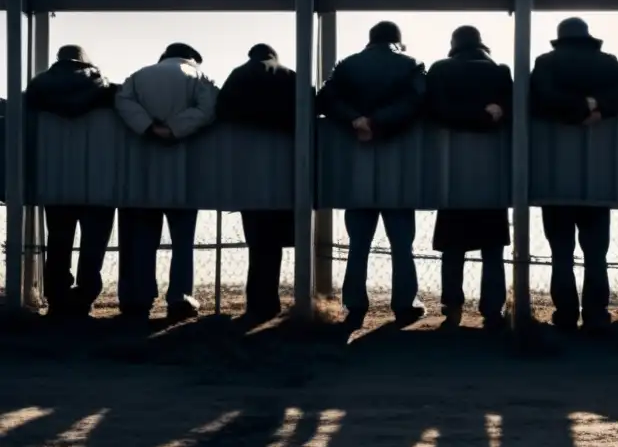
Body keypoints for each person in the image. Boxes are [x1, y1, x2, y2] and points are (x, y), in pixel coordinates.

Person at [531, 17, 618, 333]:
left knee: (561, 252)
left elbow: (537, 97)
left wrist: (572, 110)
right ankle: (596, 315)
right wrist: (596, 106)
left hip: (553, 173)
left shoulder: (546, 63)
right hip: (600, 172)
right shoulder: (605, 63)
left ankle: (565, 315)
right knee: (596, 253)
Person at [316, 20, 427, 328]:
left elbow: (325, 100)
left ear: (370, 41)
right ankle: (405, 305)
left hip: (357, 169)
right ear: (398, 41)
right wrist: (379, 121)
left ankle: (354, 305)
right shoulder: (411, 65)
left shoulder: (348, 65)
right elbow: (418, 101)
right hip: (399, 168)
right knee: (402, 244)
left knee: (358, 243)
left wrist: (357, 120)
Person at [114, 42, 218, 322]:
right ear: (193, 59)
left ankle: (139, 298)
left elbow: (122, 101)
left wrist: (149, 127)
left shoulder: (138, 76)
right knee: (182, 241)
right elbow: (209, 109)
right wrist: (174, 128)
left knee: (143, 239)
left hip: (142, 173)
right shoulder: (198, 78)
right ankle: (179, 298)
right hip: (185, 174)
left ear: (163, 57)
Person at [425, 26, 513, 330]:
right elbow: (512, 111)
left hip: (451, 172)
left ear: (454, 45)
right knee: (492, 249)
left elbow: (434, 110)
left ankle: (452, 308)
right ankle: (492, 311)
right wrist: (487, 114)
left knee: (452, 248)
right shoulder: (500, 72)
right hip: (492, 172)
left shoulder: (439, 71)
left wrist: (465, 116)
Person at [25, 45, 118, 319]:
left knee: (58, 242)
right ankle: (85, 298)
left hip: (55, 179)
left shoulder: (38, 90)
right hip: (99, 179)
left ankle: (56, 300)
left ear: (58, 61)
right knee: (94, 244)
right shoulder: (105, 89)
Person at [216, 43, 304, 322]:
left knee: (257, 242)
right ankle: (281, 301)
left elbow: (222, 112)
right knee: (278, 241)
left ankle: (258, 302)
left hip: (247, 169)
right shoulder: (290, 76)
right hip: (286, 170)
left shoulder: (239, 75)